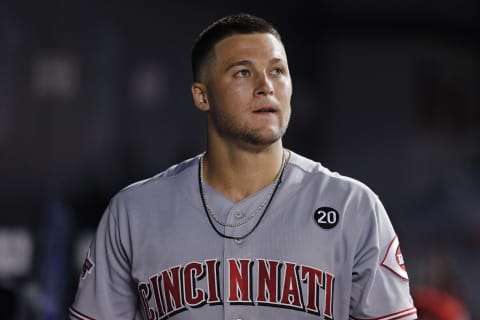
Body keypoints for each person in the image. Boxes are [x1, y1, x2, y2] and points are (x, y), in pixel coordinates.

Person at [69, 13, 417, 320]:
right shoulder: (134, 211)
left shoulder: (353, 207)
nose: (266, 86)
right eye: (242, 73)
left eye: (277, 71)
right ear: (201, 96)